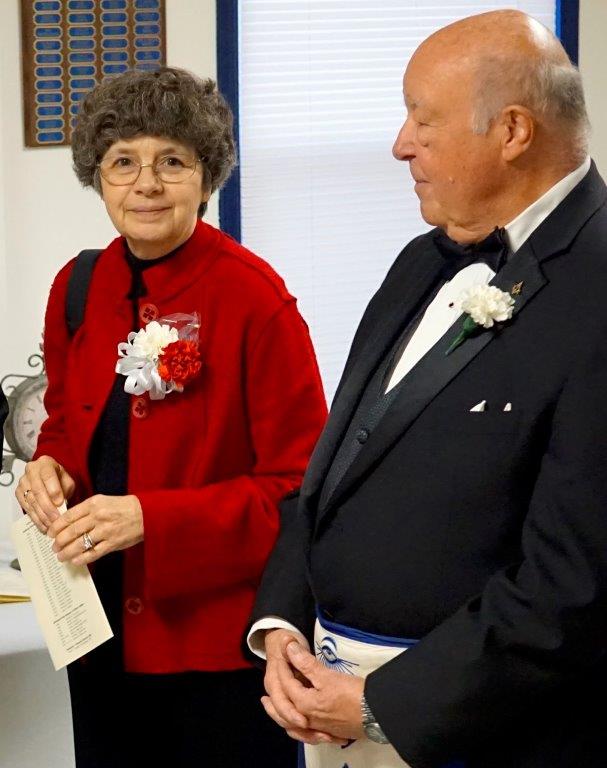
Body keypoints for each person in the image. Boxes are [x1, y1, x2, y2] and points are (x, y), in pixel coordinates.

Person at [248, 10, 607, 768]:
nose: (400, 143)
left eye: (422, 118)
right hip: (329, 706)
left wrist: (384, 706)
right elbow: (334, 466)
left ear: (512, 132)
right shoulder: (420, 261)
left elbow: (576, 584)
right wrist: (281, 622)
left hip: (489, 733)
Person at [15, 67, 327, 768]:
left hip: (213, 649)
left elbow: (299, 491)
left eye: (172, 162)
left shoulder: (256, 300)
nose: (146, 184)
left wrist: (152, 521)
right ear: (97, 177)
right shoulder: (76, 287)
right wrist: (48, 467)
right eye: (123, 162)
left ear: (206, 176)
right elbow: (66, 421)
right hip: (96, 634)